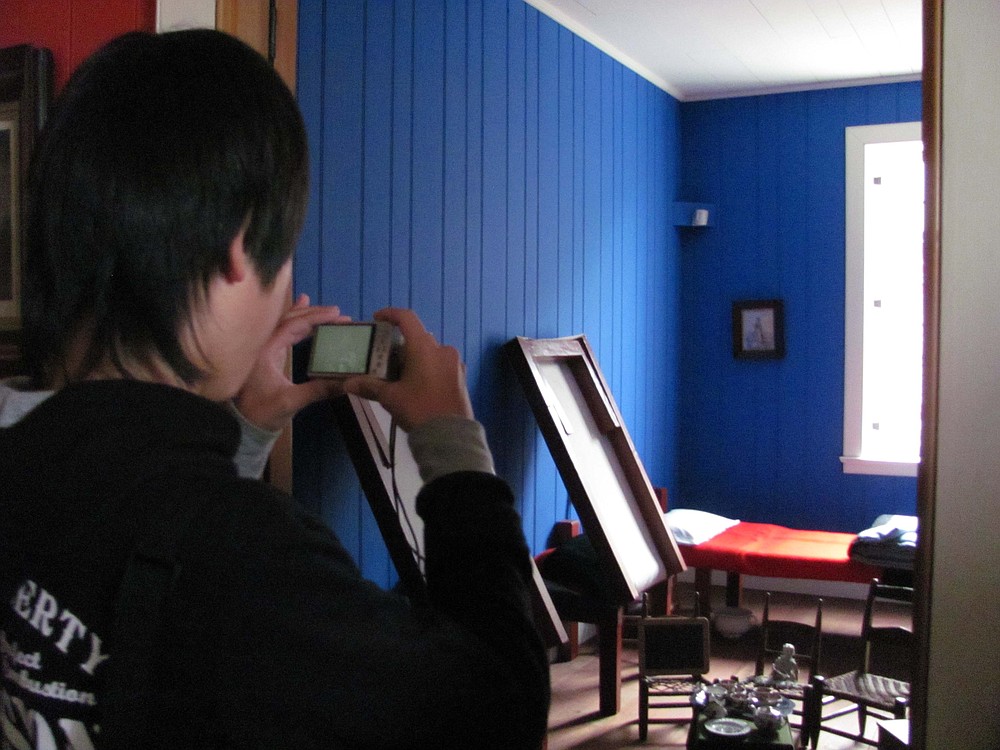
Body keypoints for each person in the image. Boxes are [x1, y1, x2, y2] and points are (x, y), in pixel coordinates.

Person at [0, 29, 549, 749]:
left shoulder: (22, 458)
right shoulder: (259, 563)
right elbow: (498, 715)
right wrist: (454, 447)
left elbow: (149, 565)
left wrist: (247, 429)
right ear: (238, 244)